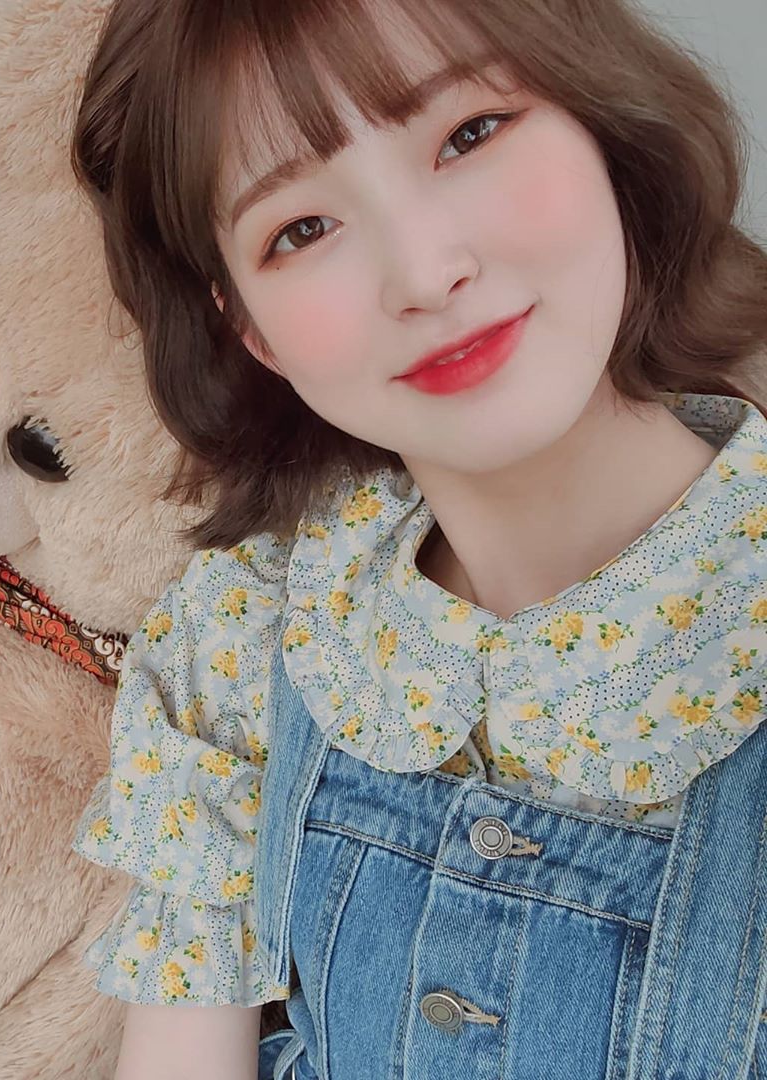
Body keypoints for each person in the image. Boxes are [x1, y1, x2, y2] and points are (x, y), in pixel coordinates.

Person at [68, 0, 767, 1076]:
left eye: (470, 134)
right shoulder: (249, 639)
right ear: (246, 327)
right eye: (301, 229)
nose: (425, 272)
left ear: (599, 121)